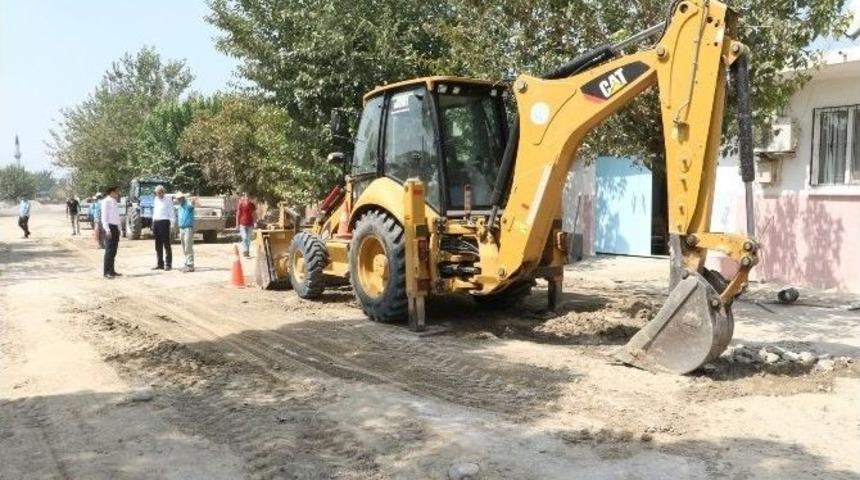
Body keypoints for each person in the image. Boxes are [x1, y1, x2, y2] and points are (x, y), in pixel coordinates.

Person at [151, 185, 175, 271]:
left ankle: (168, 264)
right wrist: (153, 223)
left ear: (163, 192)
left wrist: (172, 224)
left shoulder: (168, 200)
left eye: (160, 193)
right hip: (156, 222)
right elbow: (155, 212)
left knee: (166, 244)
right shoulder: (155, 199)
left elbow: (171, 212)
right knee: (158, 245)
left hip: (164, 222)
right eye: (157, 193)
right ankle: (160, 263)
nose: (158, 195)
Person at [101, 186, 122, 279]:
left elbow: (116, 216)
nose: (118, 193)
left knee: (114, 250)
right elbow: (104, 217)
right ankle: (106, 272)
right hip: (109, 227)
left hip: (115, 227)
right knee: (109, 250)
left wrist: (119, 228)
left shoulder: (114, 201)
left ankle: (112, 270)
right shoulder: (106, 201)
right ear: (111, 192)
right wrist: (107, 230)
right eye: (116, 192)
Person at [174, 192, 196, 273]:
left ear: (183, 198)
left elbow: (192, 204)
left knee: (188, 247)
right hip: (181, 228)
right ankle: (187, 263)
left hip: (188, 228)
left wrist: (192, 200)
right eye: (178, 198)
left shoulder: (188, 204)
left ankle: (190, 265)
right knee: (184, 247)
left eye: (180, 198)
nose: (179, 200)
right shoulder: (180, 206)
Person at [236, 192, 256, 258]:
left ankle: (247, 251)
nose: (247, 198)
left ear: (250, 198)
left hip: (250, 224)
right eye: (246, 197)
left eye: (248, 197)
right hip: (242, 224)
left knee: (248, 239)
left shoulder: (252, 205)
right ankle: (245, 251)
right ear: (244, 197)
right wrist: (237, 224)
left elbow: (254, 214)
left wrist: (255, 222)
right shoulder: (241, 204)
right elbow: (238, 214)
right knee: (244, 238)